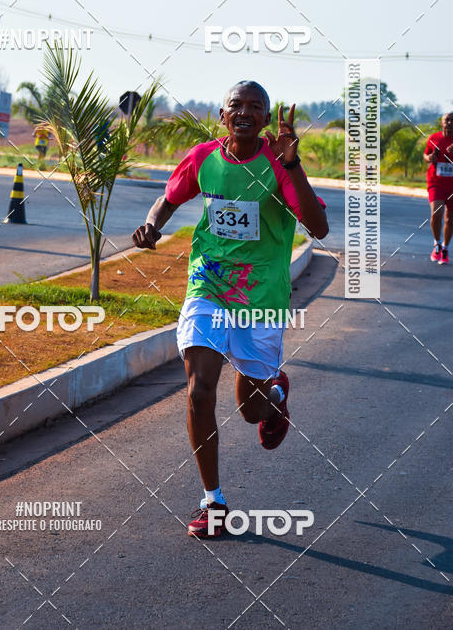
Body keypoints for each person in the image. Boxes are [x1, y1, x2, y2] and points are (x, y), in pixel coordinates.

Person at [132, 81, 328, 538]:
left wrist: (292, 163)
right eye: (236, 105)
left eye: (255, 107)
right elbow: (169, 197)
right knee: (199, 391)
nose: (244, 112)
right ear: (222, 115)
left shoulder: (279, 165)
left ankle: (275, 396)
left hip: (260, 297)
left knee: (251, 412)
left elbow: (317, 228)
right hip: (209, 284)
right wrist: (150, 224)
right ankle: (213, 502)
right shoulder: (204, 158)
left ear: (264, 119)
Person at [423, 112, 453, 265]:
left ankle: (446, 248)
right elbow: (426, 154)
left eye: (452, 120)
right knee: (436, 212)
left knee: (450, 218)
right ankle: (437, 243)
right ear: (442, 123)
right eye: (446, 120)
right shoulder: (434, 138)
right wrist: (430, 158)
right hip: (436, 182)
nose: (449, 123)